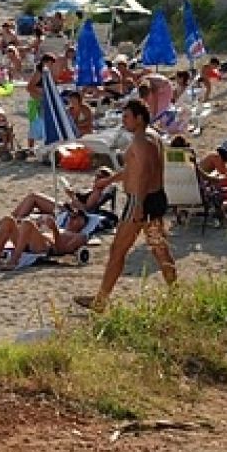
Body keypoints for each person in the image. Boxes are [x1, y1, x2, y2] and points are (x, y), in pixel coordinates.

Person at [75, 100, 177, 311]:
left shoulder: (140, 141)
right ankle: (176, 294)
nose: (124, 121)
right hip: (156, 197)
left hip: (140, 201)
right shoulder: (153, 136)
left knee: (118, 250)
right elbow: (135, 169)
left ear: (139, 118)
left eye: (127, 117)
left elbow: (144, 174)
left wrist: (138, 203)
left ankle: (101, 301)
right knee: (159, 249)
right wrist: (111, 180)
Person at [0, 208, 92, 270]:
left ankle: (14, 260)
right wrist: (40, 224)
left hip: (45, 248)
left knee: (27, 224)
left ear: (83, 223)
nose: (73, 220)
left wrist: (54, 229)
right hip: (30, 241)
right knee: (7, 220)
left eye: (77, 218)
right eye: (72, 217)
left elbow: (60, 250)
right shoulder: (62, 227)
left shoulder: (80, 236)